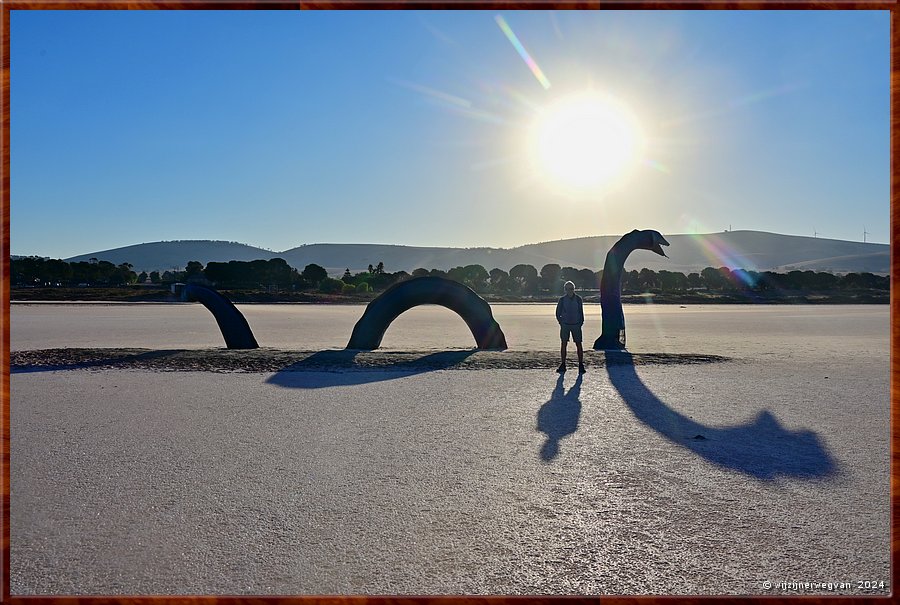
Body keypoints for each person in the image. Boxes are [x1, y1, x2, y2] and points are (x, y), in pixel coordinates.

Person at [555, 280, 585, 373]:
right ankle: (563, 364)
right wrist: (561, 322)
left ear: (574, 289)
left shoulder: (578, 299)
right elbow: (557, 313)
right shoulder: (562, 300)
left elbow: (581, 312)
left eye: (571, 289)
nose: (570, 290)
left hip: (576, 325)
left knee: (579, 344)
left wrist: (580, 322)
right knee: (564, 344)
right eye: (568, 289)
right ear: (565, 290)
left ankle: (580, 364)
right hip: (565, 325)